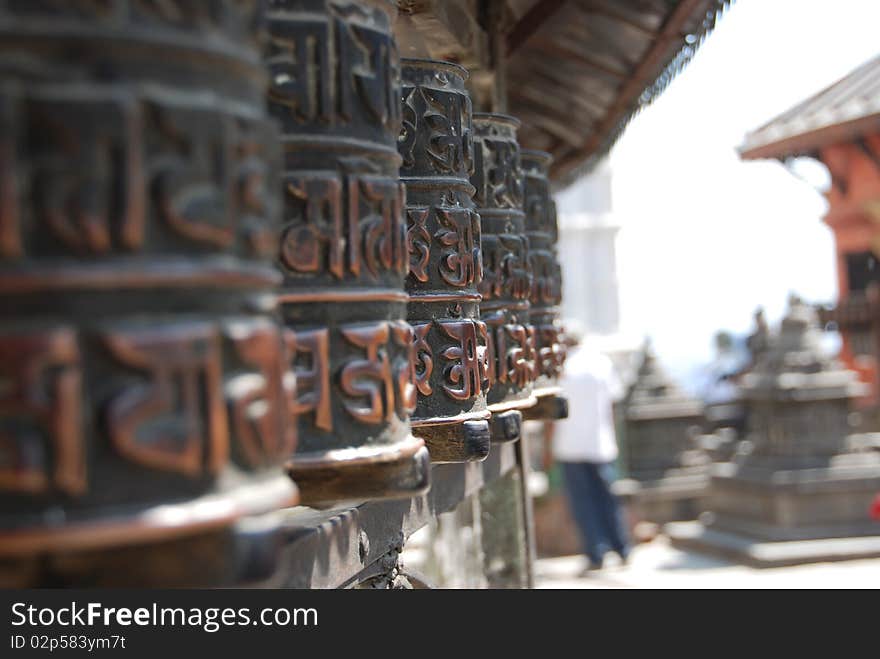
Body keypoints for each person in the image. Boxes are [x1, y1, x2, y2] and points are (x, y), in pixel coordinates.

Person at [551, 333, 630, 572]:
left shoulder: (562, 368)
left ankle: (596, 553)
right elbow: (613, 402)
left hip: (570, 445)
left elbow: (552, 413)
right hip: (600, 443)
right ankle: (622, 547)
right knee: (608, 498)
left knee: (583, 503)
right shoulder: (601, 364)